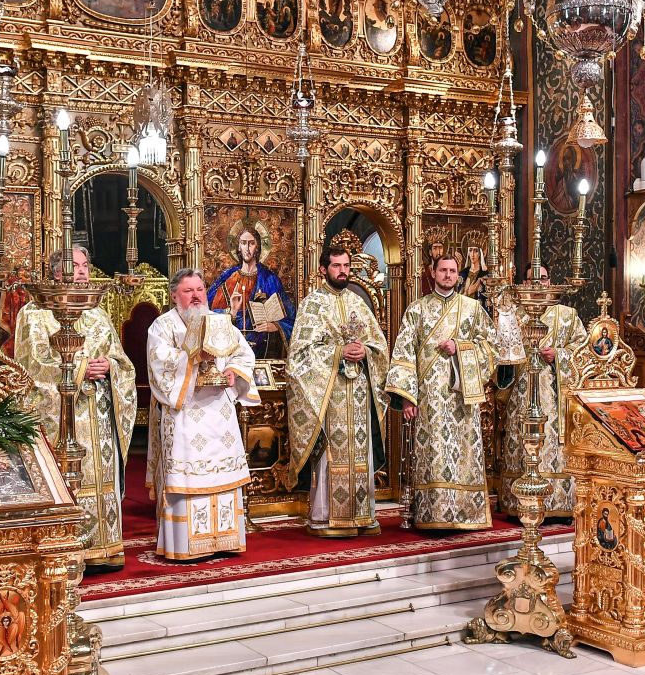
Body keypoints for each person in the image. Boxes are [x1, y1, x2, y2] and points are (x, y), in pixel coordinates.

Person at [15, 246, 137, 569]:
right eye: (75, 265)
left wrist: (109, 366)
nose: (82, 271)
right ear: (56, 272)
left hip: (98, 412)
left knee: (100, 478)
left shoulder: (97, 312)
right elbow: (32, 366)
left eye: (85, 265)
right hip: (62, 414)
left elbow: (121, 361)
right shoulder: (34, 313)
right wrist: (82, 370)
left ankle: (104, 548)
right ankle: (66, 549)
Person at [147, 269, 259, 560]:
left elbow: (243, 353)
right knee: (188, 478)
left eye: (200, 289)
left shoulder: (219, 321)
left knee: (222, 473)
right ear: (175, 296)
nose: (196, 296)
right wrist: (194, 357)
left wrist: (233, 370)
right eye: (188, 291)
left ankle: (224, 541)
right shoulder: (163, 326)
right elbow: (160, 363)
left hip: (220, 417)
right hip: (184, 416)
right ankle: (186, 546)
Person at [384, 253, 497, 531]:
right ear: (432, 273)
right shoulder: (417, 310)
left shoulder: (472, 309)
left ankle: (466, 514)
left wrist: (461, 347)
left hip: (462, 397)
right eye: (443, 270)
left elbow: (491, 347)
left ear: (458, 275)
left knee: (463, 454)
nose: (448, 275)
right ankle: (433, 515)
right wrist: (407, 397)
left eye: (453, 271)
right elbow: (404, 354)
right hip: (429, 398)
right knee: (433, 454)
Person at [286, 248, 390, 537]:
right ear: (323, 269)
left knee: (361, 454)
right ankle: (326, 517)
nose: (342, 271)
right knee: (330, 455)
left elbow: (380, 347)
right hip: (328, 396)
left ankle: (361, 515)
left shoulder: (358, 303)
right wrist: (338, 353)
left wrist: (365, 351)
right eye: (336, 265)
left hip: (359, 396)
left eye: (346, 265)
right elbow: (300, 355)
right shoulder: (312, 305)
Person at [492, 270, 587, 519]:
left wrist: (559, 354)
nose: (538, 283)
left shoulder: (567, 315)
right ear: (525, 283)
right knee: (521, 443)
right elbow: (499, 351)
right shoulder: (514, 315)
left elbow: (584, 352)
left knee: (553, 445)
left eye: (543, 278)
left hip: (555, 397)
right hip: (521, 395)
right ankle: (518, 503)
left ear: (550, 281)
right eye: (533, 279)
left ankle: (558, 505)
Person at [208, 224, 295, 359]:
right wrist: (231, 312)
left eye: (251, 243)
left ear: (257, 247)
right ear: (238, 247)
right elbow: (209, 315)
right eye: (243, 243)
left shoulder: (269, 279)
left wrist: (275, 326)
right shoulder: (228, 278)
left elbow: (290, 318)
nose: (247, 249)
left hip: (263, 348)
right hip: (231, 347)